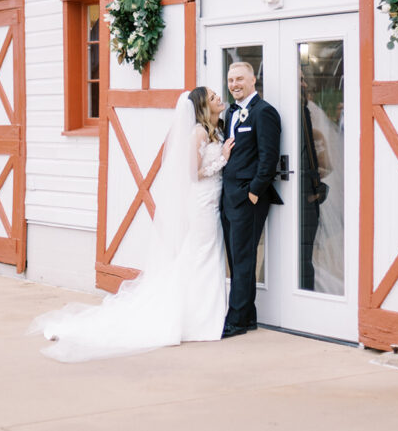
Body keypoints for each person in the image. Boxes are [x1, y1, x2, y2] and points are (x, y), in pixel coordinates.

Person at [28, 87, 234, 362]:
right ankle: (197, 319)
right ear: (202, 107)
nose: (218, 98)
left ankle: (204, 314)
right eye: (212, 97)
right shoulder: (197, 133)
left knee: (203, 255)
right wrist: (223, 159)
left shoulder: (214, 129)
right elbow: (192, 174)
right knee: (202, 255)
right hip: (201, 204)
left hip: (211, 199)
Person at [220, 61, 282, 338]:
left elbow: (269, 158)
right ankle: (249, 317)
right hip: (228, 195)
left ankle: (236, 320)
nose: (234, 84)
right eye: (231, 79)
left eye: (240, 79)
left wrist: (254, 192)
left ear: (253, 80)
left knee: (244, 259)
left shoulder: (264, 112)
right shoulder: (232, 113)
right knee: (235, 258)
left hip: (248, 197)